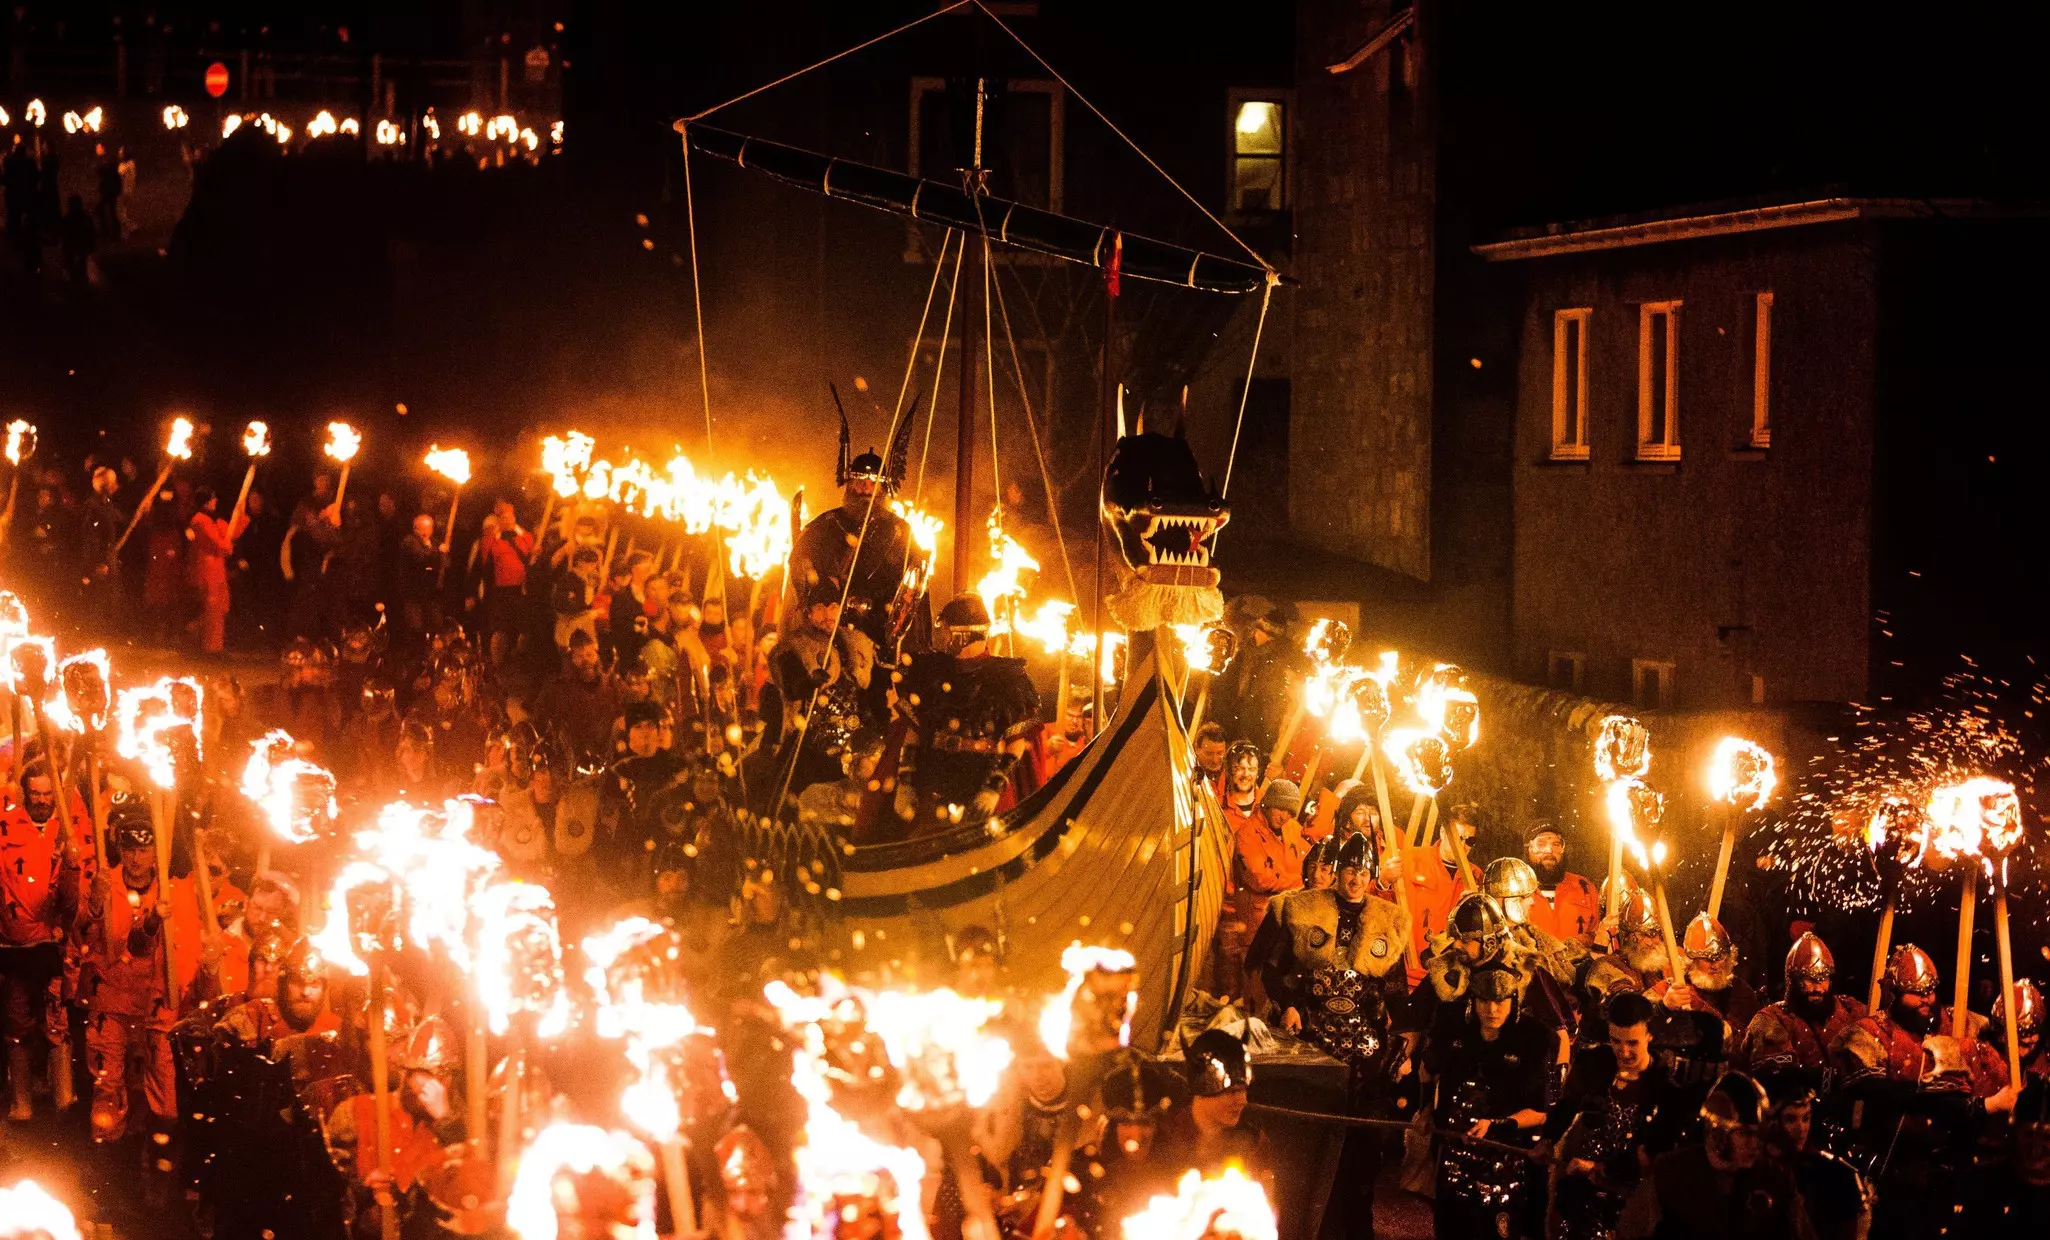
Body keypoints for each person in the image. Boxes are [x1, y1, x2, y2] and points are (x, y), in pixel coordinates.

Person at [1245, 832, 1407, 1239]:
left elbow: (1397, 990)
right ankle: (1295, 1229)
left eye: (1363, 871)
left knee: (1358, 1155)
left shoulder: (1389, 921)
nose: (1355, 878)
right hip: (1309, 1047)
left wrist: (1400, 1037)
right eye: (1349, 869)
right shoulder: (1300, 909)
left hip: (1364, 1058)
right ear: (1338, 870)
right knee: (1300, 1153)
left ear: (1372, 875)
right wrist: (1290, 1004)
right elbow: (1270, 967)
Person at [1426, 958, 1551, 1239]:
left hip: (1504, 1164)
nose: (1492, 1010)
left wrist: (1496, 1125)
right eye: (1484, 1001)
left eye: (1500, 1001)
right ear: (1473, 1001)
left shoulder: (1532, 1041)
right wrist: (1427, 1114)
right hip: (1455, 1160)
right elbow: (1436, 1079)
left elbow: (1542, 1112)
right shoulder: (1456, 1033)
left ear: (1513, 1001)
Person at [1548, 992, 1690, 1240]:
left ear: (1649, 1035)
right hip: (1582, 1191)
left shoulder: (1668, 1083)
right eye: (1616, 1041)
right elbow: (1566, 1105)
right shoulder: (1593, 1064)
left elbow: (1660, 1146)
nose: (1623, 1052)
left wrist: (1603, 1168)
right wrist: (1547, 1140)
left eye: (1632, 1043)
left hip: (1634, 1196)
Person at [1616, 1071, 1807, 1240]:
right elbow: (1629, 1233)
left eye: (1760, 1134)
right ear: (1718, 1132)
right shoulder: (1670, 1174)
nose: (1756, 1144)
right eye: (1747, 1133)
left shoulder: (1776, 1180)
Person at [0, 760, 82, 1119]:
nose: (43, 800)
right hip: (14, 944)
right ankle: (21, 1100)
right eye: (36, 793)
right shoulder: (5, 826)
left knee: (56, 1019)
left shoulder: (68, 828)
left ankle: (64, 1096)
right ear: (25, 792)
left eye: (49, 793)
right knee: (17, 1020)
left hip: (53, 942)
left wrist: (69, 867)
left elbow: (74, 898)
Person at [1220, 777, 1307, 1002]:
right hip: (1254, 925)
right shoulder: (1246, 834)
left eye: (1290, 812)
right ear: (1268, 804)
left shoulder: (1292, 830)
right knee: (1254, 988)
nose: (1284, 816)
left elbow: (1305, 862)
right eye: (1280, 809)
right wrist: (1301, 883)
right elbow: (1258, 878)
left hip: (1286, 922)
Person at [1736, 931, 1867, 1077]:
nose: (1817, 988)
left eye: (1823, 979)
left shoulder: (1850, 1012)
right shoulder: (1771, 1020)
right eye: (1810, 980)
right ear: (1793, 982)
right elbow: (1779, 1081)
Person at [1152, 1029, 1268, 1187]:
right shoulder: (1163, 1138)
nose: (1243, 1100)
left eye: (1244, 1090)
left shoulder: (1252, 1141)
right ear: (1202, 1089)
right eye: (1232, 1092)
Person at [1767, 1082, 1870, 1240]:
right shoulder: (1761, 1170)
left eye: (1806, 1118)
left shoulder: (1833, 1170)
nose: (1801, 1128)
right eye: (1791, 1120)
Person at [184, 486, 248, 653]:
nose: (215, 501)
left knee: (220, 607)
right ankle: (210, 647)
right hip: (206, 571)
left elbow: (231, 533)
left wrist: (239, 515)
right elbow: (218, 544)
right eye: (212, 499)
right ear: (206, 502)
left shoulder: (212, 521)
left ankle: (209, 643)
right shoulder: (200, 520)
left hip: (216, 571)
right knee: (212, 608)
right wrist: (226, 547)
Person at [1522, 820, 1602, 946]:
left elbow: (1598, 935)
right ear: (1528, 849)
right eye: (1541, 844)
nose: (1549, 851)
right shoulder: (1514, 889)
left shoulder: (1584, 887)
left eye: (1556, 844)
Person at [477, 497, 535, 666]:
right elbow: (484, 563)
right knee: (501, 628)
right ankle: (498, 664)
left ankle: (519, 661)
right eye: (503, 516)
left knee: (523, 627)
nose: (507, 519)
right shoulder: (491, 540)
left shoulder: (525, 537)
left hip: (523, 589)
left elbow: (532, 556)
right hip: (502, 591)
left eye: (510, 516)